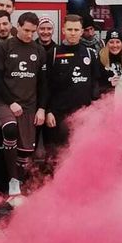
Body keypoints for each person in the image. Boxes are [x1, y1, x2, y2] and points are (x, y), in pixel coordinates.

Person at [0, 12, 48, 202]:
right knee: (10, 130)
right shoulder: (4, 47)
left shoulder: (39, 50)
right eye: (26, 30)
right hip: (6, 102)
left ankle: (19, 188)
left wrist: (42, 108)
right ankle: (12, 181)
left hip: (30, 105)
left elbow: (43, 83)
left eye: (33, 31)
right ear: (18, 26)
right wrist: (11, 102)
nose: (29, 34)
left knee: (25, 152)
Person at [44, 15, 99, 167]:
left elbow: (96, 82)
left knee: (82, 153)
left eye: (76, 30)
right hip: (59, 114)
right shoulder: (53, 53)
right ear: (63, 30)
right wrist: (48, 110)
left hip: (83, 114)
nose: (73, 33)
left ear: (82, 31)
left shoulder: (89, 53)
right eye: (69, 29)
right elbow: (46, 85)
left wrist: (94, 109)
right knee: (59, 155)